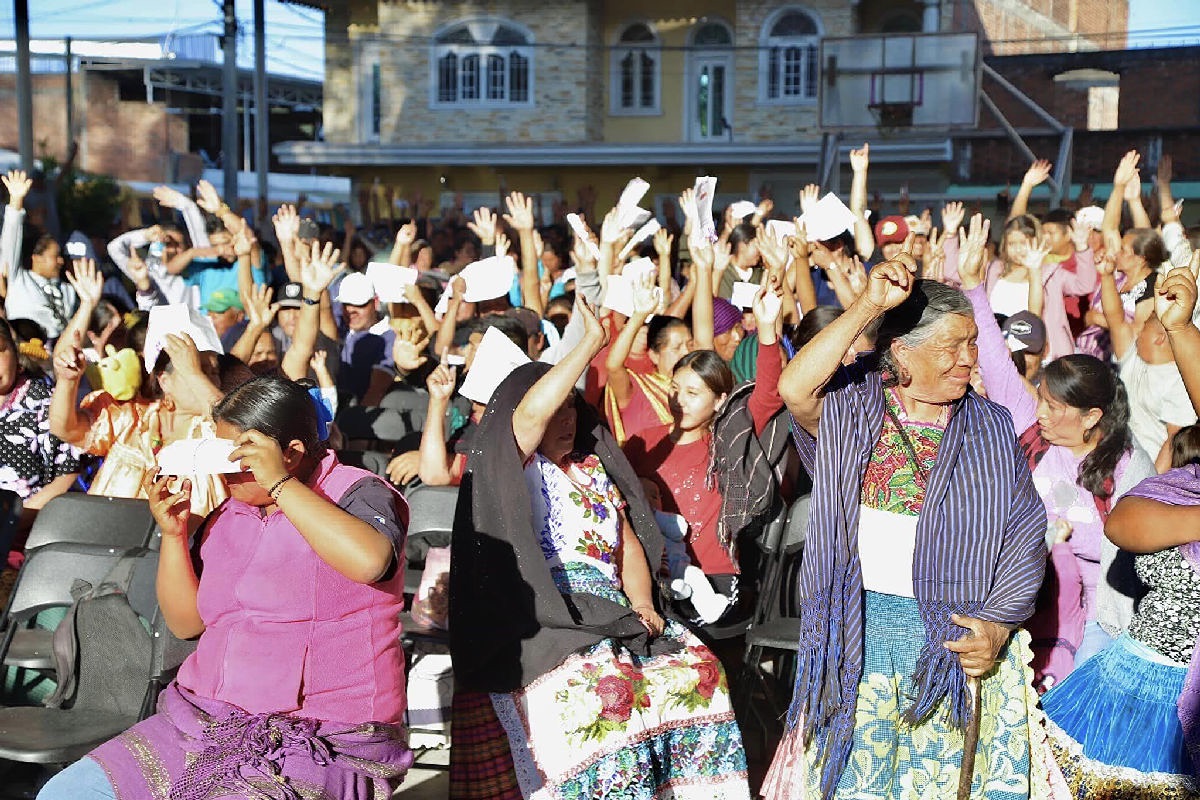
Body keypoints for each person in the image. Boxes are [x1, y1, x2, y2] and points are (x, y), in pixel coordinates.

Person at [38, 375, 414, 800]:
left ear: (290, 453)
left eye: (240, 458)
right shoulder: (228, 514)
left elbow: (370, 561)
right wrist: (175, 536)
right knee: (69, 792)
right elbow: (186, 624)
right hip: (205, 721)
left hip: (322, 736)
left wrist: (281, 486)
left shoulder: (358, 492)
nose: (225, 473)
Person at [765, 241, 1049, 798]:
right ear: (901, 351)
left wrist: (996, 624)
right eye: (951, 346)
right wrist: (868, 305)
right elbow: (794, 388)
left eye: (971, 344)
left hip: (956, 639)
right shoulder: (852, 407)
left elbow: (1024, 532)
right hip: (858, 631)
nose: (968, 359)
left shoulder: (989, 426)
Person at [449, 296, 750, 800]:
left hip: (609, 608)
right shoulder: (512, 463)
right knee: (600, 698)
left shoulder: (591, 469)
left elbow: (627, 543)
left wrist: (643, 605)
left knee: (699, 671)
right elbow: (527, 418)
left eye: (573, 407)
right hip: (541, 614)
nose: (566, 418)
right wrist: (589, 343)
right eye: (556, 407)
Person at [960, 213, 1155, 676]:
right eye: (1041, 401)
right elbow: (997, 360)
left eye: (1054, 407)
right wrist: (972, 286)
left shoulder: (1129, 466)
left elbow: (1128, 558)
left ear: (1092, 418)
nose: (1041, 413)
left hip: (1099, 621)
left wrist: (1060, 539)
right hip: (1022, 605)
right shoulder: (1035, 434)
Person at [0, 318, 81, 568]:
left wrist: (14, 518)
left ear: (14, 351)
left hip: (29, 537)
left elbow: (67, 474)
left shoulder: (43, 401)